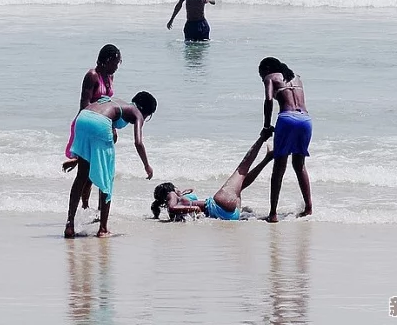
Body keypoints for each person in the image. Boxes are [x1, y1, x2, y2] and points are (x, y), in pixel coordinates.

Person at [64, 91, 157, 238]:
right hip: (99, 122)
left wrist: (79, 158)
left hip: (82, 118)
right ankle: (103, 229)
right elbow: (138, 142)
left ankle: (69, 225)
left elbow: (100, 126)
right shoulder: (137, 113)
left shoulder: (118, 103)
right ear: (146, 112)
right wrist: (147, 165)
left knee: (81, 176)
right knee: (107, 178)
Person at [151, 129, 274, 221]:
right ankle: (262, 138)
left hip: (227, 215)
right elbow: (172, 207)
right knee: (241, 168)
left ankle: (267, 158)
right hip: (219, 205)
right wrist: (194, 209)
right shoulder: (171, 195)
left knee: (241, 182)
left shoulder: (178, 200)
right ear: (170, 190)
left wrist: (183, 194)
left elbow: (177, 205)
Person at [64, 45, 122, 209]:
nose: (117, 67)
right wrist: (100, 123)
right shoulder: (92, 76)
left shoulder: (110, 77)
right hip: (87, 125)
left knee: (95, 172)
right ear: (108, 60)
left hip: (102, 126)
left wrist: (112, 127)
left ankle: (90, 208)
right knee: (84, 174)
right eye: (116, 63)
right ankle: (82, 208)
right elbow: (84, 104)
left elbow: (108, 104)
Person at [258, 57, 312, 223]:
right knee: (299, 164)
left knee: (279, 167)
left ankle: (273, 214)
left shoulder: (270, 77)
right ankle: (309, 208)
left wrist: (267, 126)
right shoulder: (296, 77)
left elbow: (268, 101)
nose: (261, 78)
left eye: (261, 74)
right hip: (305, 120)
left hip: (287, 119)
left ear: (267, 69)